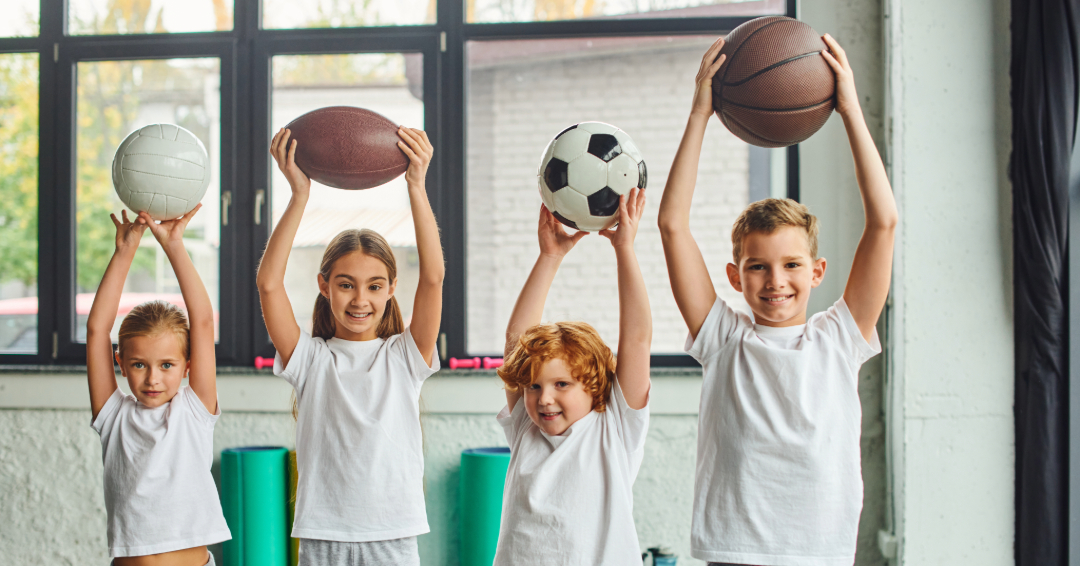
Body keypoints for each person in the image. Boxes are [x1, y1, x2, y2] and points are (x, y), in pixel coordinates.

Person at [658, 35, 897, 565]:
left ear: (816, 272)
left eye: (791, 265)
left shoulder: (839, 336)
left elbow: (883, 223)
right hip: (735, 550)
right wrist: (700, 114)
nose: (776, 281)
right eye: (757, 267)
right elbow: (672, 226)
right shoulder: (723, 338)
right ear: (735, 276)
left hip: (818, 553)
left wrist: (850, 109)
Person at [257, 126, 442, 566]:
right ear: (324, 285)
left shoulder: (404, 357)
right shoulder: (309, 360)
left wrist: (416, 185)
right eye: (346, 284)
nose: (360, 299)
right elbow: (268, 284)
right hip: (324, 537)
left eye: (375, 286)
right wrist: (299, 195)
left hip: (392, 536)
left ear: (393, 288)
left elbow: (433, 277)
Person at [493, 189, 652, 566]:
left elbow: (637, 339)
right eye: (534, 386)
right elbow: (516, 340)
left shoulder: (614, 428)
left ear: (594, 385)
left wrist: (624, 248)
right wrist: (550, 256)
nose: (543, 398)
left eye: (561, 384)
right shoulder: (525, 429)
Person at [87, 205, 230, 566]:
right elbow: (96, 331)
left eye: (167, 365)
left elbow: (202, 322)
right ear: (120, 363)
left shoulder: (194, 412)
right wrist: (125, 252)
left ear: (187, 366)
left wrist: (175, 245)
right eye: (139, 364)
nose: (153, 378)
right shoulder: (113, 416)